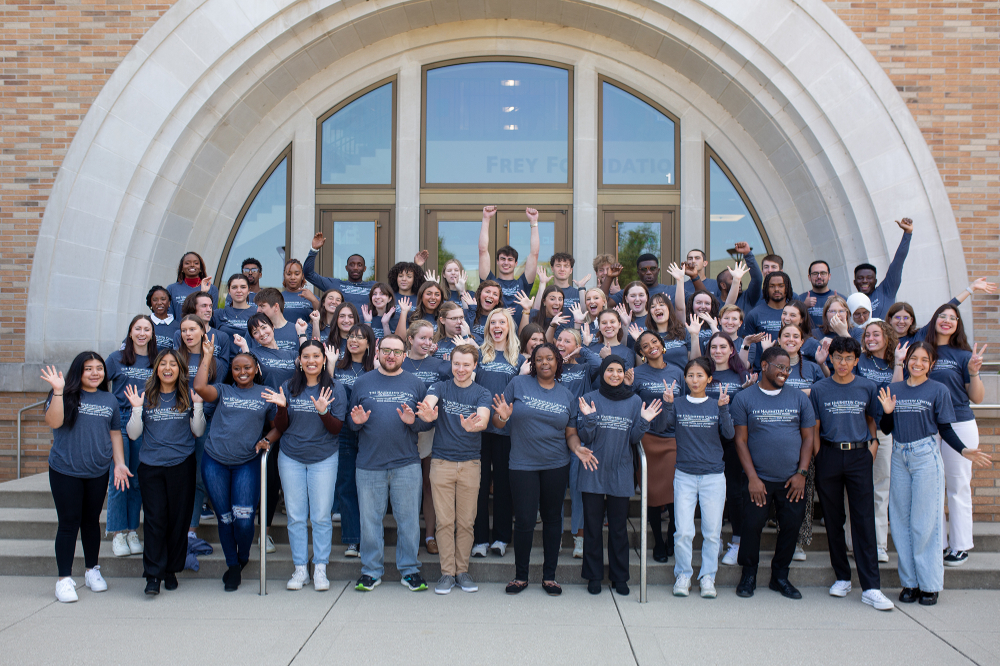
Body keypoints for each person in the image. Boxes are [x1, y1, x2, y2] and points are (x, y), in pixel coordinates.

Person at [877, 342, 993, 605]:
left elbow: (946, 428)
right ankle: (910, 583)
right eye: (913, 358)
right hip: (899, 455)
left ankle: (929, 584)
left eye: (924, 360)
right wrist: (887, 413)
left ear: (931, 365)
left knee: (925, 522)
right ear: (906, 361)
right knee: (901, 521)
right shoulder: (893, 389)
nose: (917, 363)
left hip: (925, 455)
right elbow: (885, 429)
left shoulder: (938, 390)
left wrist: (964, 451)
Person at [493, 343, 593, 596]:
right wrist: (503, 416)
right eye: (539, 359)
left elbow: (570, 434)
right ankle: (521, 576)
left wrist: (577, 448)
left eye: (550, 358)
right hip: (522, 464)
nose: (545, 363)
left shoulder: (566, 396)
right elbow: (498, 421)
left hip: (556, 464)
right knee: (525, 520)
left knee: (552, 520)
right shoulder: (518, 384)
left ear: (558, 363)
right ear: (533, 363)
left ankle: (550, 576)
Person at [809, 336, 894, 611]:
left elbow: (871, 420)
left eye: (848, 358)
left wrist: (872, 447)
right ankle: (842, 577)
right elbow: (815, 427)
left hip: (859, 455)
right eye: (837, 358)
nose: (842, 363)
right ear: (830, 359)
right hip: (830, 455)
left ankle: (871, 587)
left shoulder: (867, 386)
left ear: (856, 361)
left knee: (863, 520)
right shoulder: (820, 389)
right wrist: (821, 456)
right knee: (834, 519)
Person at [349, 334, 433, 592]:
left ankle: (410, 570)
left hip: (406, 464)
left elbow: (423, 423)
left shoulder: (416, 383)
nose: (391, 356)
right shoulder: (362, 383)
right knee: (370, 521)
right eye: (386, 350)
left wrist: (415, 422)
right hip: (369, 464)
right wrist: (357, 422)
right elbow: (351, 423)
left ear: (404, 356)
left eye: (397, 352)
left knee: (408, 520)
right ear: (377, 352)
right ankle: (371, 571)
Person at [192, 341, 279, 592]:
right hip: (215, 461)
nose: (242, 372)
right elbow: (199, 387)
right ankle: (233, 566)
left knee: (244, 519)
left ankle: (243, 557)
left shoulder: (265, 393)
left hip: (246, 463)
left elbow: (278, 426)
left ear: (255, 369)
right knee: (225, 517)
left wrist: (267, 440)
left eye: (247, 368)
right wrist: (207, 355)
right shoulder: (223, 391)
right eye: (237, 368)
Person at [42, 354, 129, 603]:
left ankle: (92, 571)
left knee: (91, 522)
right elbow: (53, 420)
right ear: (78, 372)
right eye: (88, 369)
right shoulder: (64, 394)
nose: (94, 373)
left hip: (97, 470)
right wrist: (58, 392)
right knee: (69, 522)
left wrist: (119, 464)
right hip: (65, 470)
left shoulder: (109, 399)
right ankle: (64, 580)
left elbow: (115, 434)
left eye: (99, 368)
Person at [731, 346, 815, 599]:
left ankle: (780, 576)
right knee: (752, 526)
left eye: (788, 368)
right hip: (759, 479)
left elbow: (808, 438)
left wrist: (802, 473)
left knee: (790, 526)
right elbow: (740, 441)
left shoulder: (799, 398)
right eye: (780, 366)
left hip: (792, 479)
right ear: (764, 366)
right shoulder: (744, 398)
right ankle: (748, 575)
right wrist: (753, 479)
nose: (785, 372)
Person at [263, 340, 347, 592]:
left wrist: (323, 412)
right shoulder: (288, 387)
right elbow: (283, 426)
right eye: (306, 356)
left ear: (324, 360)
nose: (311, 361)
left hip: (323, 458)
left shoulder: (335, 388)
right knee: (296, 516)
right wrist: (281, 407)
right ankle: (300, 568)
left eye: (316, 356)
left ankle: (319, 567)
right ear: (299, 360)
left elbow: (337, 429)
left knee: (321, 516)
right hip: (291, 457)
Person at [913, 303, 988, 566]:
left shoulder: (964, 354)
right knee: (931, 487)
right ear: (934, 320)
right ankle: (938, 544)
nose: (947, 321)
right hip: (928, 425)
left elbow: (977, 398)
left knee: (957, 487)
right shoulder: (922, 350)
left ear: (958, 324)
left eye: (952, 318)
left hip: (959, 423)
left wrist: (975, 372)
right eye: (942, 316)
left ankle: (959, 545)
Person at [124, 349, 204, 595]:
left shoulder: (187, 396)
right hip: (151, 466)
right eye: (163, 364)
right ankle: (153, 575)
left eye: (173, 364)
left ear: (180, 369)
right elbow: (133, 434)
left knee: (179, 521)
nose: (168, 368)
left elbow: (198, 431)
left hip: (181, 464)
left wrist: (198, 406)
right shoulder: (146, 395)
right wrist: (137, 409)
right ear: (156, 368)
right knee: (155, 520)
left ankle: (171, 570)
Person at [577, 356, 659, 595]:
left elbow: (633, 439)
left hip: (621, 471)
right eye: (610, 370)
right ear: (602, 372)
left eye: (619, 371)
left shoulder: (634, 401)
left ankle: (619, 577)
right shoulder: (590, 399)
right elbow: (586, 437)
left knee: (618, 529)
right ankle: (593, 576)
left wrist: (643, 422)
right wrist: (590, 419)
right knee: (592, 527)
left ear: (625, 374)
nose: (615, 374)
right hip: (593, 470)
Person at [414, 344, 492, 594]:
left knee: (466, 522)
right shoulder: (440, 386)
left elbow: (484, 418)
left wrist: (475, 426)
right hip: (442, 463)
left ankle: (462, 571)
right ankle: (447, 573)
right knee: (445, 522)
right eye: (456, 364)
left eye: (466, 365)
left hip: (470, 464)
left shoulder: (482, 392)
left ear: (474, 367)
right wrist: (426, 412)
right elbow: (429, 402)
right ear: (451, 364)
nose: (460, 369)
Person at [662, 357, 733, 598]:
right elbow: (664, 426)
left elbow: (729, 433)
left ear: (709, 379)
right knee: (683, 531)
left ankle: (708, 577)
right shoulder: (679, 402)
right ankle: (683, 574)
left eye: (700, 375)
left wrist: (724, 409)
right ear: (685, 378)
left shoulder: (716, 404)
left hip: (713, 476)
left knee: (712, 531)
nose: (695, 380)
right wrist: (669, 404)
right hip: (685, 475)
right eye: (690, 375)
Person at [471, 309, 524, 558]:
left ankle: (502, 538)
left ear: (509, 327)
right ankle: (479, 539)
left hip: (506, 430)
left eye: (502, 322)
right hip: (479, 429)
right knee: (479, 486)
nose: (497, 326)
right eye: (493, 322)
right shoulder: (479, 354)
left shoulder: (520, 359)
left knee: (503, 485)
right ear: (488, 327)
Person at [852, 320, 904, 561]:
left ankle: (879, 545)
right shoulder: (859, 360)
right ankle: (853, 545)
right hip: (857, 429)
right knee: (853, 490)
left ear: (887, 337)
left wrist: (900, 363)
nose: (871, 338)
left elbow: (898, 392)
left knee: (880, 488)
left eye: (876, 334)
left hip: (883, 431)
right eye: (867, 335)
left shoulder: (896, 363)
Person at [703, 332, 756, 567]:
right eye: (713, 347)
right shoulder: (704, 374)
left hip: (734, 440)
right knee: (709, 494)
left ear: (732, 350)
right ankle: (712, 542)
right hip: (706, 440)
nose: (718, 351)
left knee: (735, 492)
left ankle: (736, 542)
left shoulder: (741, 375)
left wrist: (747, 391)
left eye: (723, 347)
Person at [105, 315, 157, 557]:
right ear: (130, 332)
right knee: (120, 477)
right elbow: (95, 381)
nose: (142, 333)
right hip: (119, 421)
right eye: (138, 328)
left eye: (147, 329)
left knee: (136, 480)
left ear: (152, 334)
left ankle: (132, 530)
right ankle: (117, 533)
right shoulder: (116, 358)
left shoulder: (156, 360)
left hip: (144, 422)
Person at [632, 330, 684, 562]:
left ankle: (672, 536)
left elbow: (684, 402)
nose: (651, 346)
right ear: (641, 352)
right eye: (645, 345)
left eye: (654, 341)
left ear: (662, 345)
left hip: (673, 439)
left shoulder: (677, 372)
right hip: (648, 438)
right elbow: (631, 403)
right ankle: (658, 541)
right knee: (651, 494)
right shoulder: (637, 373)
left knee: (674, 492)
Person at [402, 320, 453, 555]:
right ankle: (408, 535)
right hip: (401, 430)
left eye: (430, 339)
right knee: (408, 486)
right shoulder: (399, 362)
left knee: (429, 485)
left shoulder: (440, 366)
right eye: (422, 338)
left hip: (432, 431)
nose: (427, 342)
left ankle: (430, 534)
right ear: (410, 339)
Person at [176, 315, 227, 537]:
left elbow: (214, 393)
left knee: (197, 477)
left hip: (205, 423)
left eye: (192, 330)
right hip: (175, 422)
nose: (188, 334)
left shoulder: (218, 362)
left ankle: (191, 529)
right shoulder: (174, 358)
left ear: (202, 331)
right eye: (184, 330)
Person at [332, 324, 376, 558]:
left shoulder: (376, 369)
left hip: (371, 432)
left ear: (369, 343)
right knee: (347, 485)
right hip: (344, 434)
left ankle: (370, 539)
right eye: (351, 337)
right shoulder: (337, 366)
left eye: (360, 337)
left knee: (369, 489)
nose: (354, 340)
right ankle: (352, 540)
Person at [478, 205, 540, 320]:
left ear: (516, 263)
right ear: (497, 261)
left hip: (518, 336)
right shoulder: (490, 282)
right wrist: (486, 219)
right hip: (495, 333)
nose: (506, 262)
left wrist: (534, 222)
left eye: (510, 259)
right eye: (503, 259)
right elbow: (482, 251)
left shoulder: (523, 283)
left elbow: (534, 253)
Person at [854, 217, 913, 320]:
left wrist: (907, 233)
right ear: (855, 282)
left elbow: (898, 262)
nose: (864, 281)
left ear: (875, 280)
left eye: (869, 277)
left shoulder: (886, 291)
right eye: (860, 278)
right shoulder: (851, 302)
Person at [303, 233, 375, 308]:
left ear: (365, 269)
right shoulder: (335, 285)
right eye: (352, 264)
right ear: (346, 268)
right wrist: (314, 250)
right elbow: (309, 274)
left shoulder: (373, 287)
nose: (355, 268)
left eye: (359, 265)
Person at [741, 270, 794, 371]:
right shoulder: (754, 314)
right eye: (772, 286)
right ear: (766, 288)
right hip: (762, 370)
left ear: (787, 287)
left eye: (781, 285)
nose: (776, 289)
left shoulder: (795, 312)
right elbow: (748, 345)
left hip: (792, 369)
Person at [167, 251, 219, 319]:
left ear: (200, 268)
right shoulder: (172, 289)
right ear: (182, 268)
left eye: (196, 263)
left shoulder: (211, 289)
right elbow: (169, 316)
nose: (192, 265)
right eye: (187, 263)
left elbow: (213, 317)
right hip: (180, 329)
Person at [605, 253, 670, 304]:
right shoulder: (628, 292)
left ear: (658, 270)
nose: (648, 272)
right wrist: (609, 277)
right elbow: (603, 305)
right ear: (638, 272)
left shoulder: (672, 290)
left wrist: (680, 279)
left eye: (652, 269)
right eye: (644, 269)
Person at [715, 242, 762, 313]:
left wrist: (748, 254)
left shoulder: (748, 297)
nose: (739, 281)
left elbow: (757, 279)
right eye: (733, 278)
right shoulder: (714, 303)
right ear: (723, 285)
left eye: (739, 278)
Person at [214, 274, 258, 338]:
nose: (239, 291)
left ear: (249, 291)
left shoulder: (257, 314)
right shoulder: (218, 314)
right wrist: (203, 292)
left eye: (243, 287)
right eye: (234, 287)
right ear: (229, 291)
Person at [798, 261, 840, 328]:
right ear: (809, 277)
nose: (819, 276)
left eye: (823, 273)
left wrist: (838, 306)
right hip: (808, 338)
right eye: (815, 273)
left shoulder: (841, 299)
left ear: (829, 276)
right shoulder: (800, 299)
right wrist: (803, 306)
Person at [146, 285, 179, 351]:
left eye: (163, 299)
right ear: (151, 304)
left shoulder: (178, 326)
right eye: (155, 300)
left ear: (169, 302)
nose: (159, 303)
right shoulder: (144, 322)